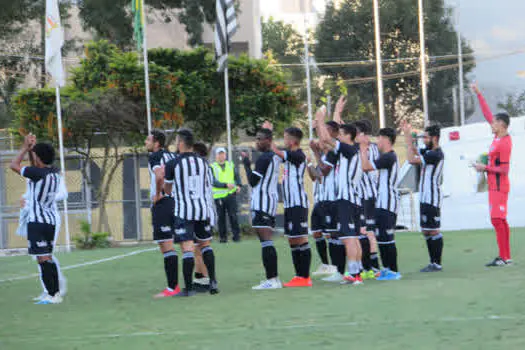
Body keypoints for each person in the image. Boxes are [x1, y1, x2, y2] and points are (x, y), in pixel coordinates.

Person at [10, 134, 66, 304]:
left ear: (38, 158)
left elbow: (14, 165)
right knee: (46, 257)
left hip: (37, 222)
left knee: (42, 259)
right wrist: (31, 149)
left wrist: (24, 148)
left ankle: (52, 294)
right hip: (50, 221)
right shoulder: (54, 172)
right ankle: (54, 293)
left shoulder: (37, 173)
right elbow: (36, 165)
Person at [164, 129, 219, 297]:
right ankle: (213, 281)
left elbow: (167, 188)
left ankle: (188, 289)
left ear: (180, 143)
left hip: (184, 211)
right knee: (205, 245)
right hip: (202, 209)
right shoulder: (203, 162)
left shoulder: (173, 163)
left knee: (187, 249)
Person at [316, 107, 364, 285]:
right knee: (353, 237)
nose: (339, 137)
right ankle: (356, 273)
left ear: (348, 137)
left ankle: (353, 274)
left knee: (348, 238)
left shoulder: (350, 150)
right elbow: (325, 141)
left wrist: (320, 119)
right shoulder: (344, 153)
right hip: (352, 200)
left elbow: (327, 139)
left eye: (342, 134)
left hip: (347, 199)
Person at [472, 84, 513, 267]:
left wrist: (484, 168)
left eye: (495, 122)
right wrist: (479, 93)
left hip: (500, 186)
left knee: (497, 219)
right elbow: (488, 114)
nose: (491, 124)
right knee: (499, 220)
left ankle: (504, 257)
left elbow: (504, 170)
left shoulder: (504, 143)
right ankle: (505, 256)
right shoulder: (497, 137)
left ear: (502, 125)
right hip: (494, 186)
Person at [270, 124, 312, 287]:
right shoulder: (290, 155)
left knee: (300, 237)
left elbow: (277, 151)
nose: (284, 140)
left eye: (286, 137)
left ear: (293, 141)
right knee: (292, 240)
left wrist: (269, 135)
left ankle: (305, 277)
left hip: (298, 203)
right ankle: (298, 276)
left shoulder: (298, 155)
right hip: (289, 204)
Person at [241, 127, 283, 290]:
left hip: (262, 203)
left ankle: (272, 279)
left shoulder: (264, 158)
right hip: (269, 202)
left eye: (260, 139)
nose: (257, 142)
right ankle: (273, 279)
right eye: (256, 139)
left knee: (266, 242)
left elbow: (252, 181)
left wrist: (246, 164)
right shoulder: (274, 157)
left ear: (268, 141)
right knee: (266, 242)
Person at [360, 127, 402, 281]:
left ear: (385, 139)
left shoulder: (389, 157)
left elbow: (365, 167)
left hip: (388, 204)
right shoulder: (386, 157)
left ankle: (393, 270)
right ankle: (386, 269)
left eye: (379, 138)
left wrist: (363, 149)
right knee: (382, 238)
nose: (377, 141)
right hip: (382, 203)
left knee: (387, 238)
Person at [403, 122, 445, 272]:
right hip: (424, 196)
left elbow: (411, 159)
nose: (424, 140)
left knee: (433, 230)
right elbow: (414, 150)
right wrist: (408, 136)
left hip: (432, 197)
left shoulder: (435, 154)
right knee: (426, 230)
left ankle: (437, 263)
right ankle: (432, 262)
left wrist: (409, 141)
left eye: (426, 137)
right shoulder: (428, 152)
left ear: (434, 138)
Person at [145, 131, 180, 298]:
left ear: (156, 143)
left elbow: (159, 174)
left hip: (163, 204)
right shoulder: (172, 156)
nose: (146, 142)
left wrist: (159, 194)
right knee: (185, 243)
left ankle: (172, 288)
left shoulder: (155, 156)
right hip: (176, 202)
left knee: (166, 245)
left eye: (148, 139)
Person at [353, 120, 381, 279]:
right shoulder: (357, 149)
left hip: (369, 195)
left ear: (363, 135)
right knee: (362, 231)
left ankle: (374, 266)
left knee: (368, 231)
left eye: (356, 133)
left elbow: (369, 170)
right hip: (360, 196)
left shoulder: (372, 150)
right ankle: (366, 266)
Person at [211, 147, 242, 243]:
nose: (221, 155)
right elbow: (212, 181)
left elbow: (237, 177)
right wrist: (225, 185)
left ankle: (236, 236)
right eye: (219, 154)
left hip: (231, 194)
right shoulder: (212, 167)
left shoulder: (230, 165)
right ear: (216, 156)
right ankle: (223, 238)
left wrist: (238, 186)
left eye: (223, 153)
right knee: (221, 217)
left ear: (225, 155)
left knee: (233, 216)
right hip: (219, 197)